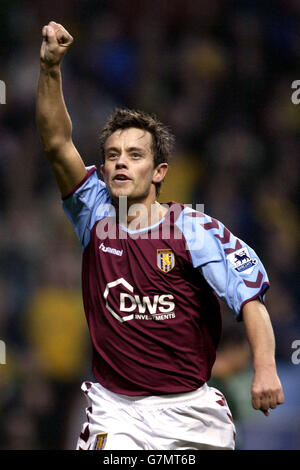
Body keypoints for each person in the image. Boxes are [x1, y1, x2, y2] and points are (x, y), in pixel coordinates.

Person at [36, 21, 285, 451]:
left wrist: (265, 369)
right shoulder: (92, 212)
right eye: (112, 155)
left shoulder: (195, 230)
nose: (120, 164)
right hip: (116, 410)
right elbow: (57, 142)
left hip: (191, 412)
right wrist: (52, 69)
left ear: (159, 172)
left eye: (134, 155)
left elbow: (251, 302)